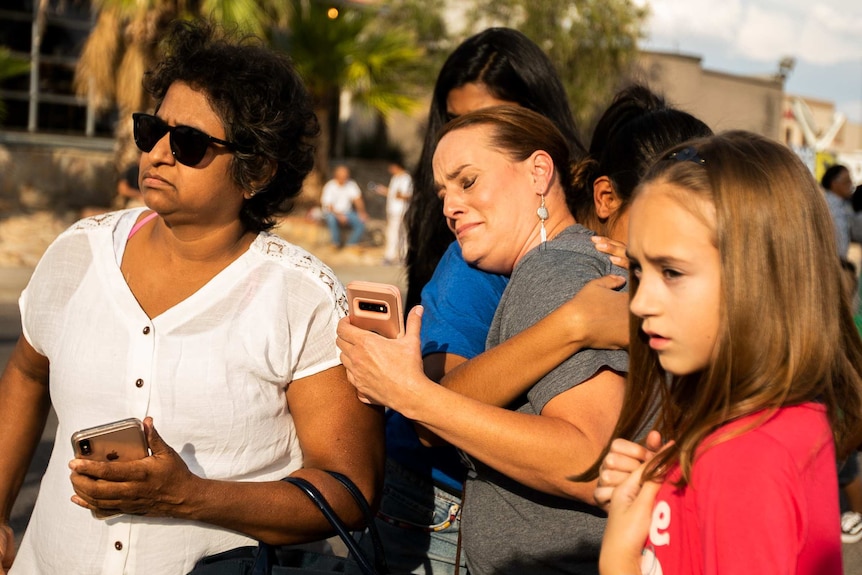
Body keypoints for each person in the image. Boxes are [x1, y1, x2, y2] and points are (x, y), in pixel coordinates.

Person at [0, 19, 383, 575]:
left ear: (256, 172)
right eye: (151, 129)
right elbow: (27, 375)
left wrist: (189, 495)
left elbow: (347, 490)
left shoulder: (304, 300)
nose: (158, 153)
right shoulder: (79, 253)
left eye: (189, 143)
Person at [338, 105, 629, 575]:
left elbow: (589, 463)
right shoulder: (558, 266)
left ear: (539, 172)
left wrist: (408, 394)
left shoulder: (552, 271)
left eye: (468, 181)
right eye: (443, 192)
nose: (450, 206)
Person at [597, 132, 862, 575]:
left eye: (672, 271)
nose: (640, 302)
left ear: (763, 275)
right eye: (639, 271)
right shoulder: (767, 426)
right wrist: (654, 505)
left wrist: (620, 555)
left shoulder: (744, 459)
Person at [402, 26, 587, 313]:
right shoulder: (454, 249)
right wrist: (573, 325)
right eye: (454, 120)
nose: (464, 133)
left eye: (487, 119)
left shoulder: (593, 210)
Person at [372, 159, 413, 265]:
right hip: (392, 210)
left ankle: (403, 256)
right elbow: (393, 194)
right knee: (391, 233)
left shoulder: (406, 178)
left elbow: (406, 195)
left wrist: (396, 194)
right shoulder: (395, 178)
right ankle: (390, 256)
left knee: (401, 234)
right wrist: (384, 191)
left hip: (402, 210)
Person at [321, 164, 368, 248]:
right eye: (342, 175)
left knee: (361, 222)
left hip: (347, 212)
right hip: (332, 213)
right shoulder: (330, 186)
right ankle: (335, 243)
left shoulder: (351, 184)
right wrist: (339, 216)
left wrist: (362, 212)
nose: (345, 177)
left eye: (346, 175)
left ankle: (351, 244)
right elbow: (329, 206)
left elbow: (358, 200)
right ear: (336, 175)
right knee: (331, 219)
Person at [822, 164, 855, 259]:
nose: (851, 184)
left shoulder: (844, 205)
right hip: (829, 261)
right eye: (847, 181)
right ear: (834, 183)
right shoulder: (825, 205)